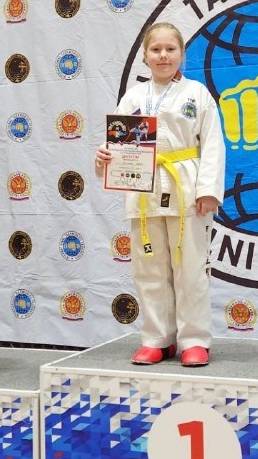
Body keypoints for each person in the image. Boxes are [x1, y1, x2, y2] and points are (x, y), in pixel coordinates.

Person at [95, 22, 225, 367]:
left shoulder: (197, 93)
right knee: (148, 268)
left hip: (187, 188)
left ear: (182, 54)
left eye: (170, 49)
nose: (163, 55)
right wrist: (104, 157)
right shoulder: (133, 97)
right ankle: (158, 338)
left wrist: (208, 190)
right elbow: (118, 143)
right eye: (156, 49)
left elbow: (213, 145)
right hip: (143, 190)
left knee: (191, 269)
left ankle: (194, 340)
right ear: (145, 56)